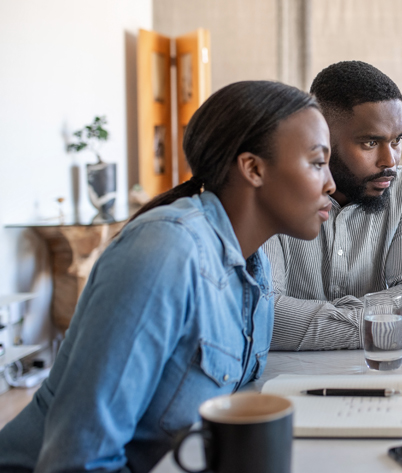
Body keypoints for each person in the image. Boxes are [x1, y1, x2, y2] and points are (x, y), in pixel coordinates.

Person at [0, 81, 335, 472]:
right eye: (317, 162)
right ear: (253, 168)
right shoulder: (165, 251)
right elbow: (78, 462)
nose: (330, 183)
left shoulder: (255, 269)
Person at [264, 60, 402, 351]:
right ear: (321, 136)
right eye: (370, 143)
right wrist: (386, 325)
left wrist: (312, 320)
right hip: (282, 382)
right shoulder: (274, 192)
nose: (391, 161)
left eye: (397, 140)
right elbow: (266, 317)